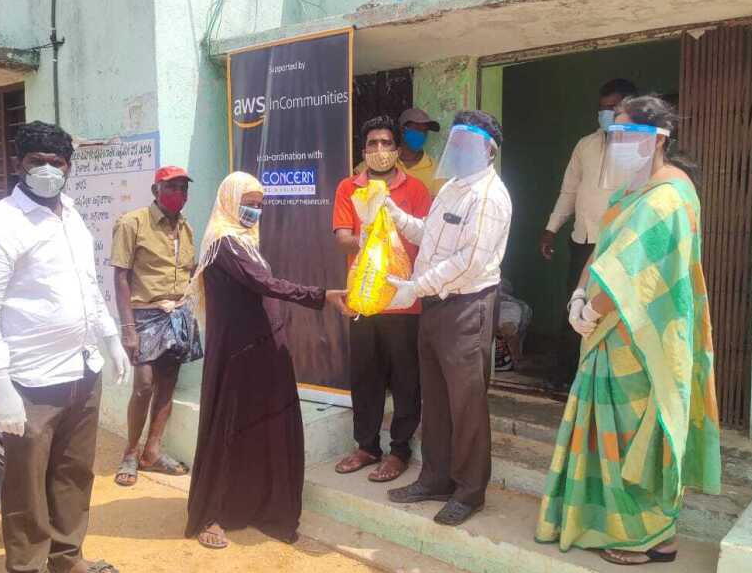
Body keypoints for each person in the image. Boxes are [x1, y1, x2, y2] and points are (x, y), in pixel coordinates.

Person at [535, 96, 721, 564]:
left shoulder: (667, 198)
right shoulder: (630, 192)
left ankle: (650, 535)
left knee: (638, 437)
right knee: (611, 437)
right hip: (609, 334)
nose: (618, 143)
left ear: (658, 139)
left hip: (644, 341)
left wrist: (591, 310)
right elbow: (602, 254)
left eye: (627, 134)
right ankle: (617, 527)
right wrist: (579, 296)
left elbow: (632, 275)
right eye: (614, 134)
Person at [0, 121, 131, 573]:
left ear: (68, 168)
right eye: (36, 160)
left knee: (73, 473)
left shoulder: (72, 217)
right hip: (30, 382)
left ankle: (66, 556)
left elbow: (89, 288)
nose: (46, 170)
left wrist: (110, 339)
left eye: (56, 163)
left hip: (81, 369)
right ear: (18, 164)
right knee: (26, 485)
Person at [184, 172, 351, 549]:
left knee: (265, 427)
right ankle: (214, 513)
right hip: (238, 355)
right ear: (229, 199)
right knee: (231, 427)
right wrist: (323, 295)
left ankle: (262, 506)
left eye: (260, 204)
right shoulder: (223, 243)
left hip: (265, 349)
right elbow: (266, 285)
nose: (254, 210)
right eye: (248, 202)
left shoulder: (246, 242)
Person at [383, 110, 512, 527]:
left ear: (487, 150)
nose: (456, 149)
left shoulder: (489, 197)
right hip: (436, 306)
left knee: (467, 403)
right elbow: (430, 234)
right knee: (435, 398)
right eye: (455, 141)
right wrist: (395, 214)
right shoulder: (454, 187)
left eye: (465, 143)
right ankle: (435, 478)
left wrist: (415, 287)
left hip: (466, 308)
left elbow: (469, 263)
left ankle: (470, 491)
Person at [332, 116, 432, 483]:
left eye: (385, 143)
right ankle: (367, 445)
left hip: (405, 299)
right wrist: (369, 239)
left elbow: (426, 239)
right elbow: (341, 237)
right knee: (365, 376)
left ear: (396, 149)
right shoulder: (349, 188)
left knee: (407, 378)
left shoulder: (416, 189)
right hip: (363, 298)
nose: (379, 150)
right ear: (363, 150)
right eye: (372, 144)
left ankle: (400, 450)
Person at [540, 79, 639, 388]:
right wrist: (550, 229)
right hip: (583, 240)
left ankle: (601, 382)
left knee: (608, 313)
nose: (606, 114)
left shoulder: (637, 147)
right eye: (602, 108)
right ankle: (565, 378)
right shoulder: (586, 145)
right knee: (576, 307)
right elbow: (569, 190)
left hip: (617, 244)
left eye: (613, 108)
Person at [110, 164, 201, 487]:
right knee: (144, 384)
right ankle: (131, 453)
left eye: (183, 188)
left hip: (178, 314)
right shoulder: (132, 223)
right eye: (171, 187)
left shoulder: (186, 228)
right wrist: (127, 328)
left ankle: (153, 450)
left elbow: (191, 271)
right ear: (155, 191)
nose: (178, 194)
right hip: (145, 313)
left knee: (168, 383)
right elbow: (120, 275)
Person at [397, 107, 444, 195]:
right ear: (402, 129)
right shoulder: (385, 163)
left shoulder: (436, 171)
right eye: (417, 129)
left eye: (425, 130)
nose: (421, 134)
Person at [495, 279, 532, 373]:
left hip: (501, 364)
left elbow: (509, 329)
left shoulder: (508, 307)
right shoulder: (514, 306)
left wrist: (517, 360)